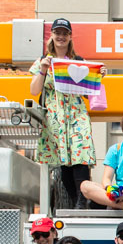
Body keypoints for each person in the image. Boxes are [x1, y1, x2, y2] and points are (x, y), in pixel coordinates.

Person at [29, 17, 96, 209]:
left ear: (70, 36)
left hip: (76, 114)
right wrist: (43, 70)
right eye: (57, 32)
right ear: (52, 35)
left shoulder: (79, 62)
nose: (61, 37)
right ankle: (76, 201)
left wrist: (97, 77)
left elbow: (87, 91)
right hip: (55, 116)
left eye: (64, 33)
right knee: (63, 160)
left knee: (80, 155)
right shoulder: (42, 61)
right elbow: (34, 91)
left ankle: (83, 200)